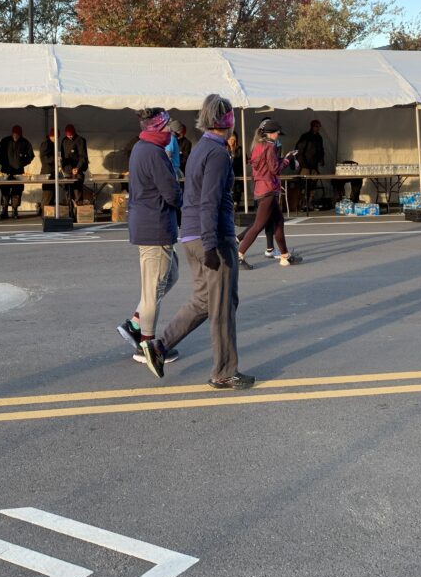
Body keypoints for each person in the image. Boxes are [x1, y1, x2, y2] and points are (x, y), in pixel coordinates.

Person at [160, 93, 253, 390]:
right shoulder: (217, 154)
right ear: (226, 120)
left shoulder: (201, 149)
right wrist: (213, 244)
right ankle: (224, 371)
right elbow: (211, 201)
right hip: (210, 235)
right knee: (223, 304)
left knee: (204, 300)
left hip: (191, 234)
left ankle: (160, 346)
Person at [116, 107, 184, 377]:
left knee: (171, 275)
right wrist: (185, 201)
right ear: (157, 128)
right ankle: (146, 344)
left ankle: (135, 323)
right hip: (154, 225)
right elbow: (170, 192)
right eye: (166, 127)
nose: (170, 131)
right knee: (154, 288)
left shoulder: (143, 147)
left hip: (152, 223)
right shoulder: (153, 152)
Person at [237, 119, 302, 269]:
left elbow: (265, 166)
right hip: (269, 189)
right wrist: (287, 159)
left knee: (279, 222)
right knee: (258, 225)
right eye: (278, 133)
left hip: (261, 188)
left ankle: (285, 256)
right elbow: (275, 169)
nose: (278, 136)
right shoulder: (270, 147)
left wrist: (283, 158)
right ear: (271, 134)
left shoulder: (257, 145)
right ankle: (239, 255)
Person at [0, 125, 35, 219]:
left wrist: (23, 163)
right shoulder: (5, 141)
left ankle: (14, 210)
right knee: (5, 190)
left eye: (18, 134)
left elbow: (31, 156)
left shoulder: (25, 142)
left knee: (17, 191)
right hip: (6, 171)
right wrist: (3, 163)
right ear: (12, 133)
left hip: (19, 171)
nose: (16, 136)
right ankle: (4, 210)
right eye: (15, 134)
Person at [295, 119, 324, 212]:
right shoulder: (305, 136)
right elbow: (299, 150)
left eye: (319, 126)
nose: (318, 128)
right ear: (312, 126)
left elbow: (321, 150)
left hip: (314, 166)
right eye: (316, 126)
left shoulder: (319, 137)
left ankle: (309, 203)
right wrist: (302, 164)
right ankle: (302, 204)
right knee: (304, 185)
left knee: (313, 185)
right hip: (305, 165)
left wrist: (322, 159)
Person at [60, 124, 89, 204]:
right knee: (68, 192)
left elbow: (83, 157)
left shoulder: (80, 140)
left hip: (77, 171)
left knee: (77, 191)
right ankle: (69, 211)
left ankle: (78, 210)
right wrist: (62, 166)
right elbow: (62, 155)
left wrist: (78, 168)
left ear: (74, 132)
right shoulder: (64, 140)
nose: (70, 137)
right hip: (67, 171)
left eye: (71, 135)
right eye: (68, 135)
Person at [39, 128, 56, 208]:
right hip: (47, 172)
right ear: (51, 136)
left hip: (51, 172)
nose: (56, 139)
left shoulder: (52, 144)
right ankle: (43, 212)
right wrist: (54, 159)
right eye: (55, 136)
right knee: (47, 194)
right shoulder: (46, 144)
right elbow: (44, 158)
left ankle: (49, 213)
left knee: (51, 194)